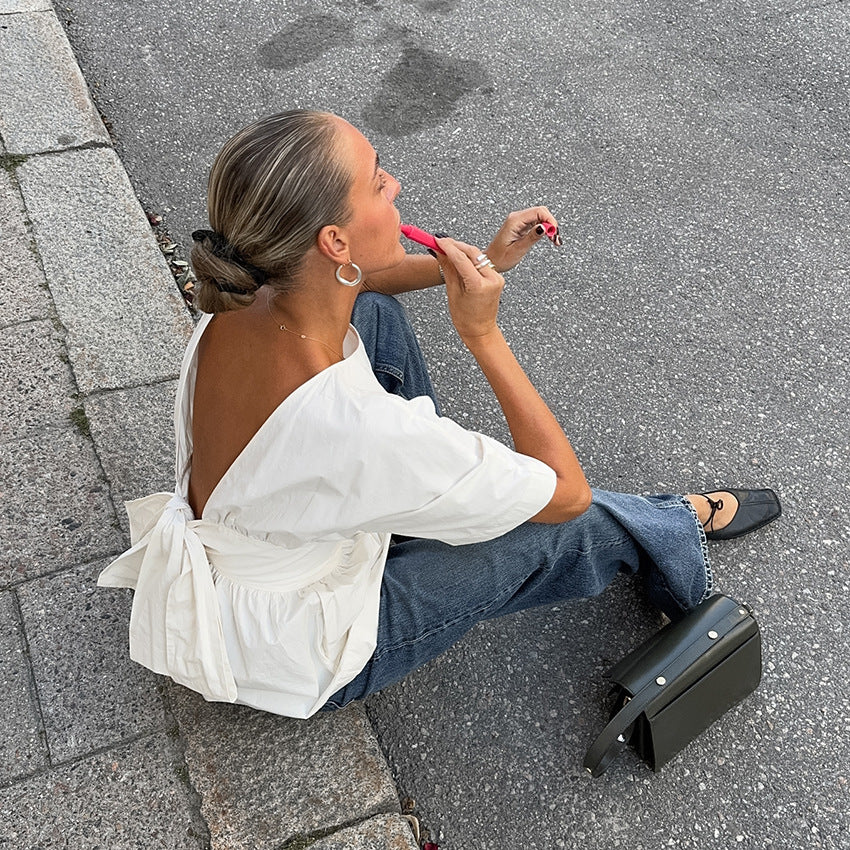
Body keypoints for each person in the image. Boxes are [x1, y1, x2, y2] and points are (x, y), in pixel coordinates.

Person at [98, 109, 781, 719]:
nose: (394, 185)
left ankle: (446, 490)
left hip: (267, 535)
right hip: (297, 646)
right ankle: (677, 527)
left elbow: (363, 279)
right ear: (334, 241)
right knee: (565, 522)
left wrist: (487, 258)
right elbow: (566, 493)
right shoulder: (356, 427)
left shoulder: (249, 295)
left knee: (373, 312)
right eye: (377, 183)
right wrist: (483, 334)